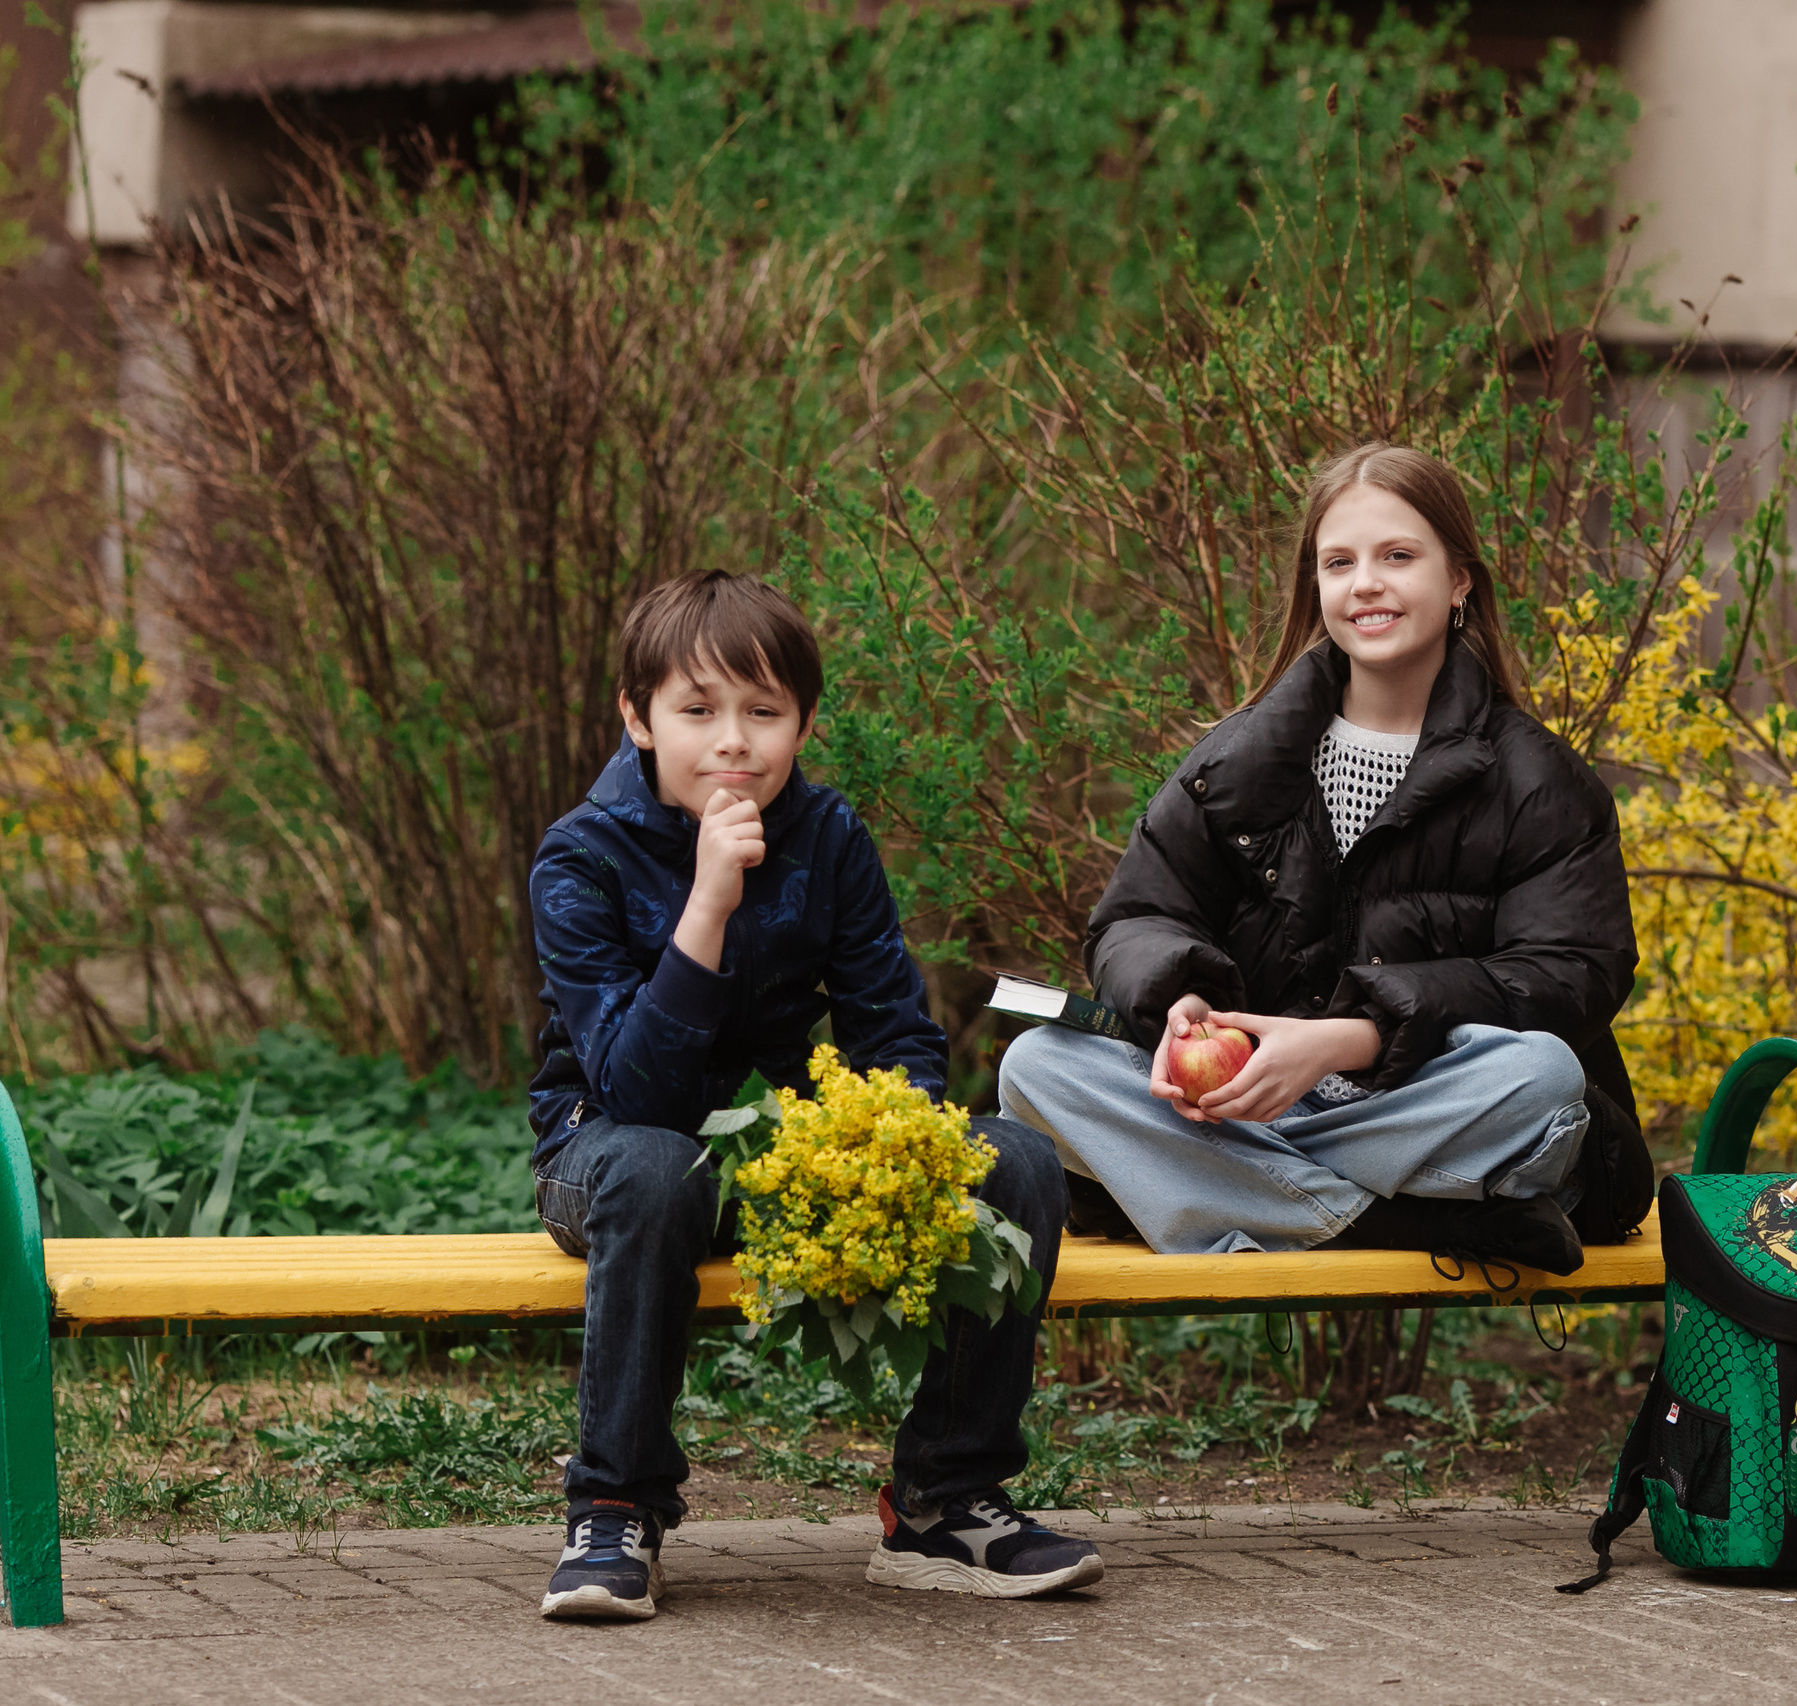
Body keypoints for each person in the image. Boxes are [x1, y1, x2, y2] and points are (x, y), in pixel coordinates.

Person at [524, 571, 1101, 1620]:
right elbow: (637, 1092)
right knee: (657, 1165)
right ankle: (615, 1503)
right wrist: (708, 902)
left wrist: (896, 1145)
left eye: (763, 711)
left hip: (786, 1150)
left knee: (1015, 1159)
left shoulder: (828, 836)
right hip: (604, 1153)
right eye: (696, 710)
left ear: (803, 722)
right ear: (638, 717)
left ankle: (944, 1499)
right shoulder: (581, 856)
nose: (732, 742)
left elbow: (894, 1031)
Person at [998, 443, 1651, 1271]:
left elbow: (1569, 976)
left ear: (1460, 580)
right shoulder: (1241, 760)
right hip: (1248, 1101)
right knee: (1038, 1066)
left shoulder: (1538, 780)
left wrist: (1351, 1040)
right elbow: (1137, 917)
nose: (1365, 583)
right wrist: (1179, 998)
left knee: (1544, 1076)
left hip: (1422, 1105)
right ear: (1316, 587)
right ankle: (1397, 1220)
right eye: (1339, 562)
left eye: (1398, 556)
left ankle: (1225, 1189)